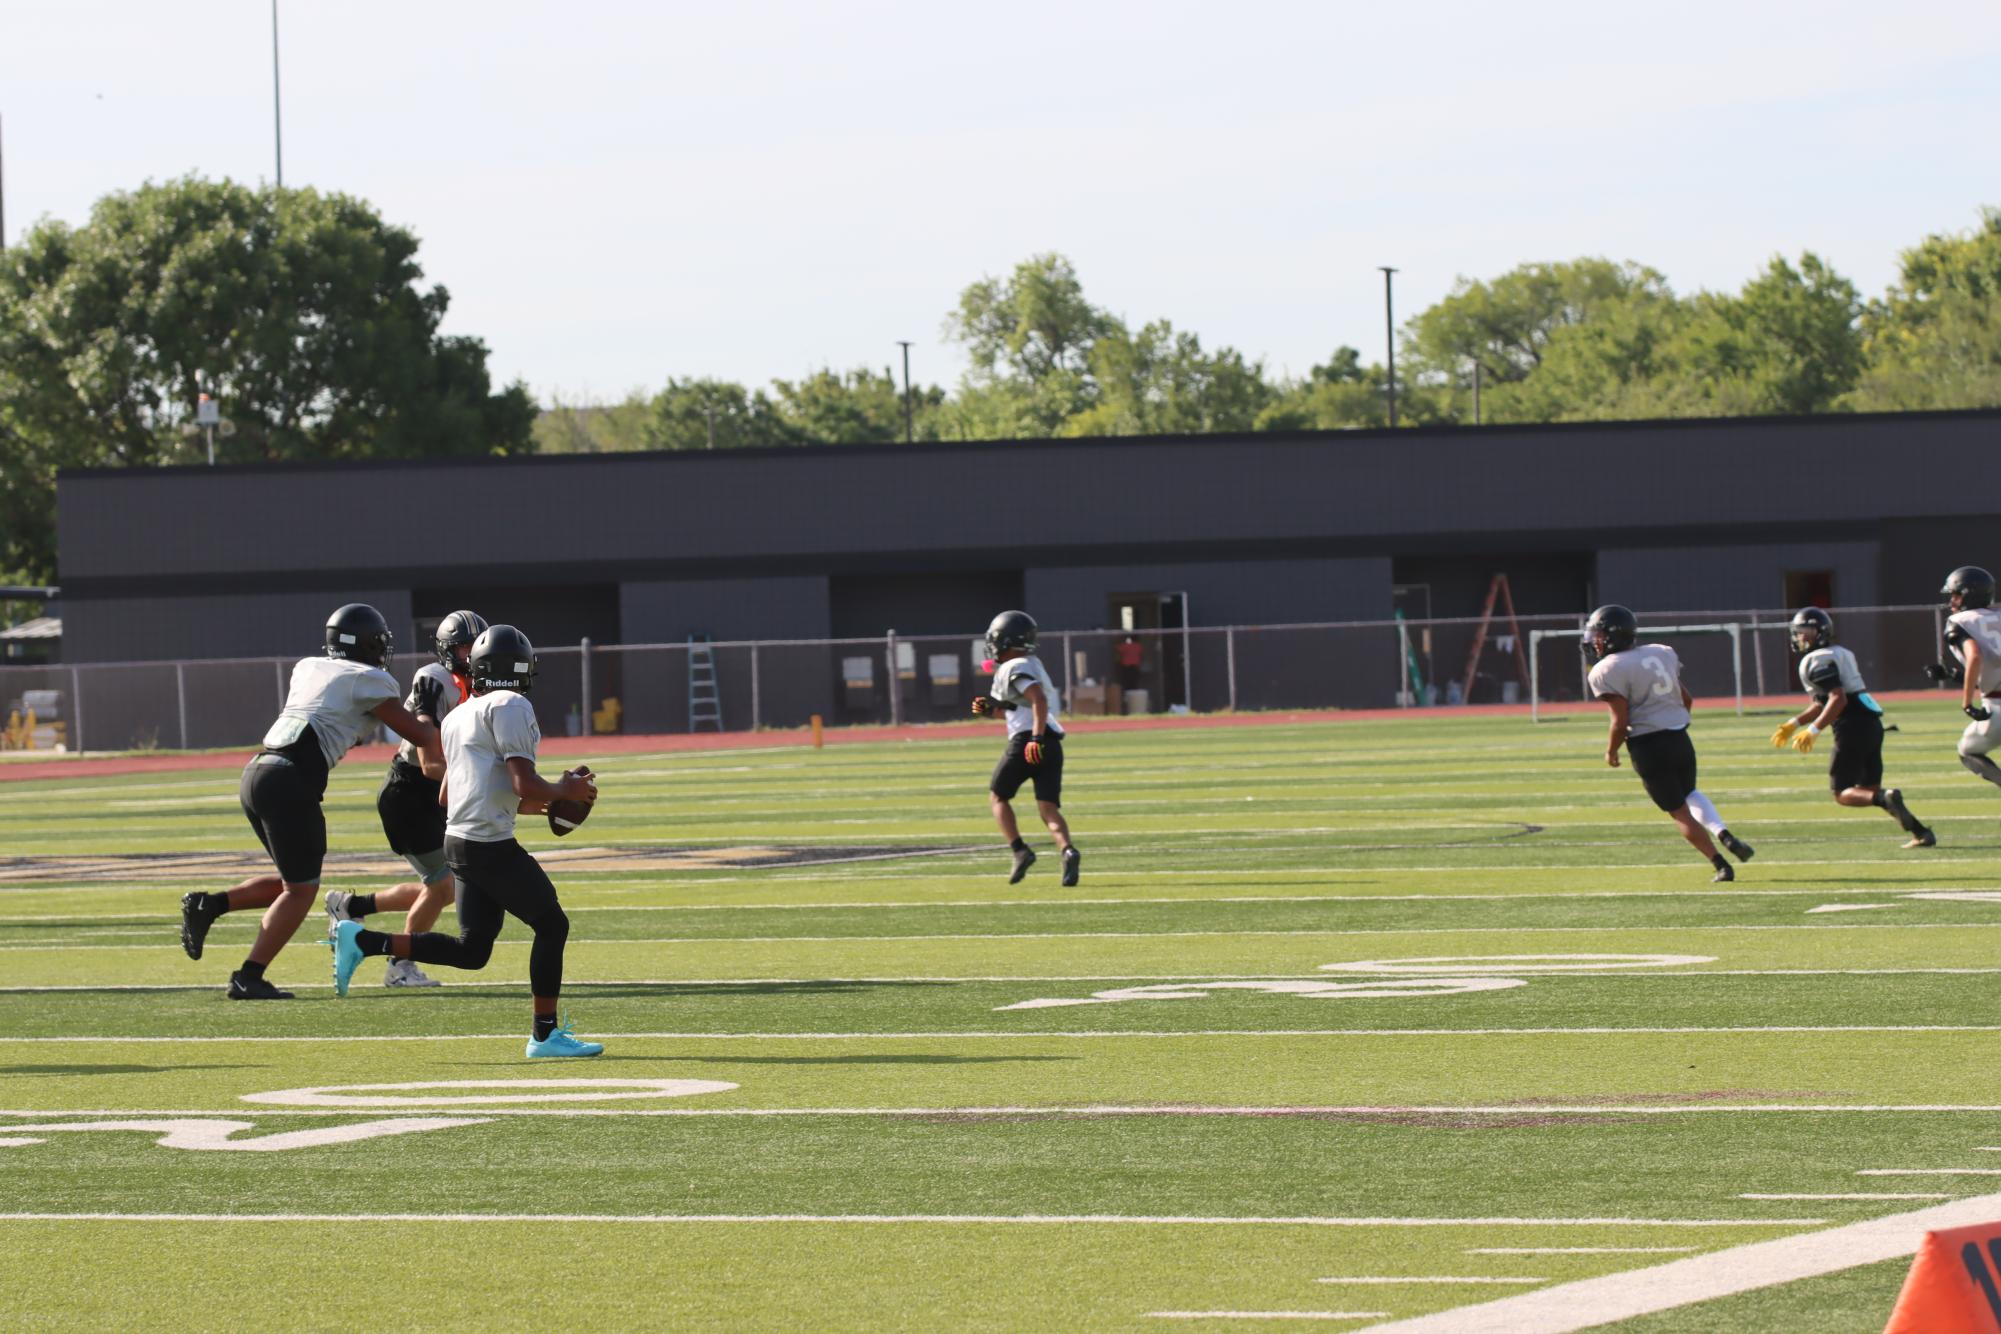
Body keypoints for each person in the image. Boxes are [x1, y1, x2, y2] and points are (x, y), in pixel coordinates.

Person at [330, 624, 604, 1058]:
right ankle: (545, 1035)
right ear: (517, 667)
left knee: (473, 951)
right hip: (487, 846)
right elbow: (521, 782)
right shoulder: (512, 704)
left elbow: (448, 793)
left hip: (458, 840)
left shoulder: (459, 713)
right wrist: (561, 791)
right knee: (553, 925)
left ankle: (365, 941)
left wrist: (546, 803)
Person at [178, 604, 440, 999]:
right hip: (290, 780)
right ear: (370, 643)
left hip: (258, 770)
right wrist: (426, 709)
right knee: (301, 890)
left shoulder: (309, 667)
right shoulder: (368, 679)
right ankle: (249, 975)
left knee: (293, 883)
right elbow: (420, 736)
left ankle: (210, 905)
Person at [325, 610, 487, 987]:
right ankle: (400, 964)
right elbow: (431, 762)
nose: (471, 655)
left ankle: (352, 906)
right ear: (447, 650)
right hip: (411, 792)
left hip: (435, 787)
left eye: (476, 647)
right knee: (444, 884)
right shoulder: (435, 678)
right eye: (464, 647)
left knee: (446, 886)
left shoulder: (479, 686)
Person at [1584, 604, 1754, 882]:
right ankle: (1725, 834)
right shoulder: (1660, 653)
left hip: (1648, 745)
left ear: (1614, 635)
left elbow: (1619, 720)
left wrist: (1611, 751)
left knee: (1678, 811)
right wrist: (1673, 721)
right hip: (1679, 736)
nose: (1595, 641)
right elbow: (1686, 699)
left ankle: (1721, 864)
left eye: (1599, 635)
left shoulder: (1606, 669)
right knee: (1690, 792)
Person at [1773, 608, 1934, 848]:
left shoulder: (1817, 660)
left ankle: (1888, 800)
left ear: (1819, 632)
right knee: (1869, 790)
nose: (1799, 637)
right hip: (1871, 724)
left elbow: (1838, 699)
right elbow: (1822, 703)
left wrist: (1813, 731)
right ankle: (1920, 832)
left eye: (1803, 631)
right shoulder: (1841, 653)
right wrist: (1794, 724)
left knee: (1842, 793)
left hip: (1850, 728)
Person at [972, 610, 1080, 886]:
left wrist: (1034, 738)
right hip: (1052, 742)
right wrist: (989, 711)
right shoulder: (1034, 663)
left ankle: (1020, 851)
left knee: (997, 797)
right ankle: (1068, 850)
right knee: (1048, 809)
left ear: (1007, 641)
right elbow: (1012, 711)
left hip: (1029, 741)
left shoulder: (1013, 666)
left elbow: (1038, 700)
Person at [1934, 566, 2001, 793]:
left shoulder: (1961, 621)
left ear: (1968, 594)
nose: (1952, 600)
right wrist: (1953, 675)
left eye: (1955, 594)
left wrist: (1966, 702)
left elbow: (1975, 656)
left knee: (1967, 751)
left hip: (1997, 706)